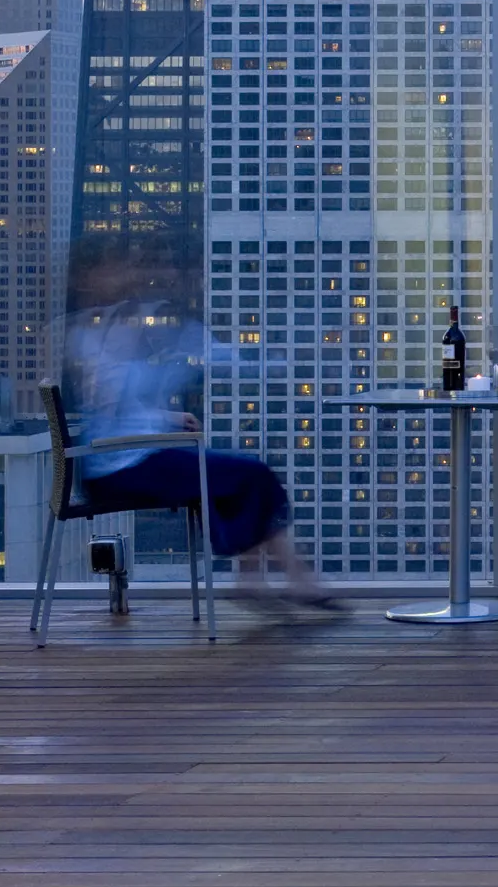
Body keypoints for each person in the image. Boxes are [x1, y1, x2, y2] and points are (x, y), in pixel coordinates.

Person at [65, 254, 342, 616]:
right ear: (89, 278)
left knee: (239, 477)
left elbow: (114, 407)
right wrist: (169, 364)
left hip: (122, 455)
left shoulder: (99, 328)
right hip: (118, 465)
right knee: (250, 474)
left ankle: (264, 580)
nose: (128, 274)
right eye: (115, 268)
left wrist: (166, 415)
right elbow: (108, 399)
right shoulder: (93, 333)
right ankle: (281, 579)